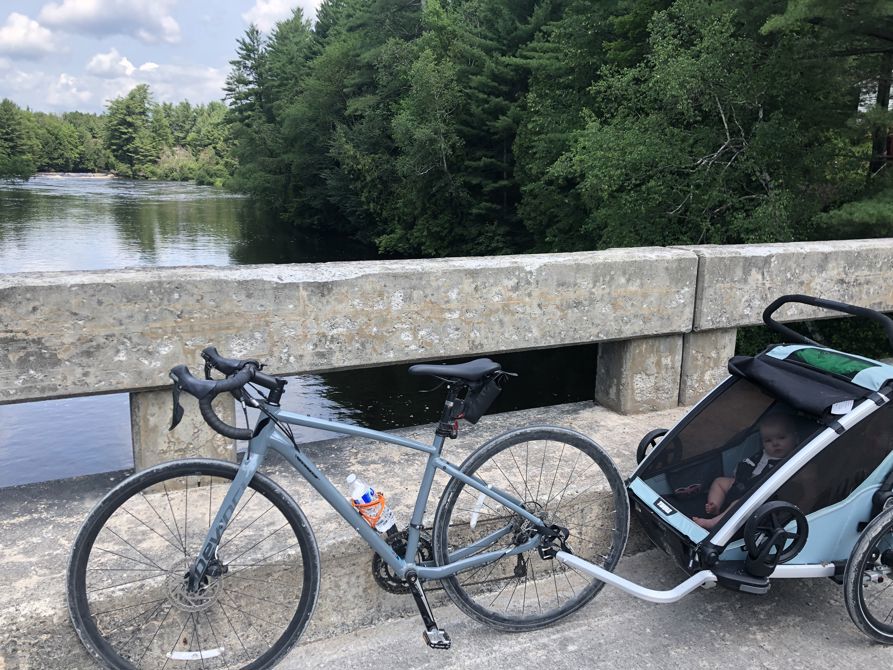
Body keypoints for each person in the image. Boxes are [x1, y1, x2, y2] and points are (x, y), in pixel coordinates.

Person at [693, 413, 800, 530]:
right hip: (742, 483)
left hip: (756, 497)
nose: (775, 443)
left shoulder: (792, 460)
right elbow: (748, 464)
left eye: (781, 438)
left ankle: (715, 522)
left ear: (795, 438)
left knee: (739, 503)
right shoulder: (764, 453)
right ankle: (715, 506)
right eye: (768, 440)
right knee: (719, 482)